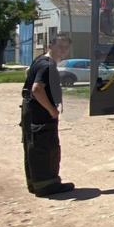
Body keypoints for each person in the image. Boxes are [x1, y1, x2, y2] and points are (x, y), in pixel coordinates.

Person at [21, 33, 75, 196]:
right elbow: (37, 89)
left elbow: (29, 73)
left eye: (66, 47)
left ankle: (35, 182)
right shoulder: (48, 65)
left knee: (33, 145)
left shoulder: (40, 60)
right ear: (50, 46)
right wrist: (51, 109)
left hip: (30, 109)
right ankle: (47, 185)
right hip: (40, 110)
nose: (63, 50)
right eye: (60, 46)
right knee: (45, 146)